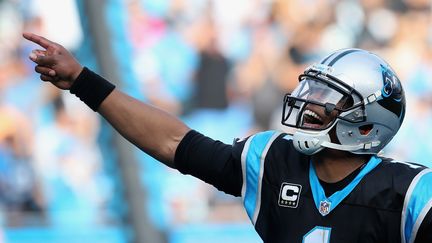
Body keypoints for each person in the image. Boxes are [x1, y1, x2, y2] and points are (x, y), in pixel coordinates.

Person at [23, 32, 432, 243]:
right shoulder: (273, 157)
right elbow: (174, 143)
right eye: (311, 91)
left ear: (365, 124)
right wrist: (83, 81)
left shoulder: (410, 192)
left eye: (326, 99)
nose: (307, 105)